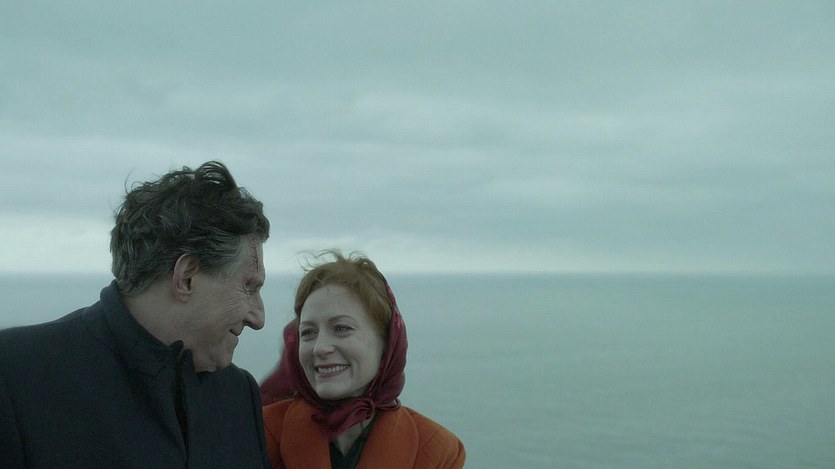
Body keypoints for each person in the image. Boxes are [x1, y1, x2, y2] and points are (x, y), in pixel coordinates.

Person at [0, 161, 272, 468]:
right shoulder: (14, 376)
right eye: (249, 287)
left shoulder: (238, 394)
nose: (259, 318)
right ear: (186, 277)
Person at [261, 251, 466, 469]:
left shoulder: (437, 451)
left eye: (341, 328)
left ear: (387, 343)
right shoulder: (260, 431)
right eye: (308, 332)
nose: (319, 348)